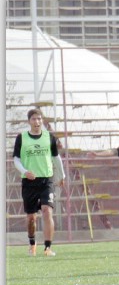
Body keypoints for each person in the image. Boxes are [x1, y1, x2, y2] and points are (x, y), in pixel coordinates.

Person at [12, 108, 65, 256]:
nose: (37, 122)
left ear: (42, 121)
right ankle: (32, 243)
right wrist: (24, 171)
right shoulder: (21, 138)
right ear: (29, 121)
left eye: (39, 119)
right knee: (31, 218)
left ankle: (48, 247)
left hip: (46, 180)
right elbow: (16, 159)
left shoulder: (49, 137)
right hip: (29, 181)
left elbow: (56, 157)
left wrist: (62, 175)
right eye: (34, 119)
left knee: (47, 211)